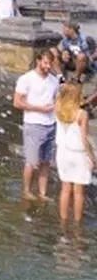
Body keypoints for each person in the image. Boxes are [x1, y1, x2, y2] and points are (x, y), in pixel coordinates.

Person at [13, 49, 59, 202]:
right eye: (45, 63)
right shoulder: (26, 79)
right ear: (38, 61)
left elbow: (58, 98)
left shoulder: (54, 80)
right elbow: (17, 102)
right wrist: (40, 109)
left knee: (46, 162)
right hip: (33, 124)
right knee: (32, 162)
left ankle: (42, 193)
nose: (48, 66)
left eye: (50, 64)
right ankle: (26, 191)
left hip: (51, 124)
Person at [54, 82, 96, 229]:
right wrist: (92, 157)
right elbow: (84, 139)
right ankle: (77, 223)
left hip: (63, 153)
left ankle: (63, 221)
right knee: (79, 192)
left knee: (65, 188)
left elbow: (59, 98)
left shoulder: (58, 109)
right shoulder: (81, 114)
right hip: (78, 154)